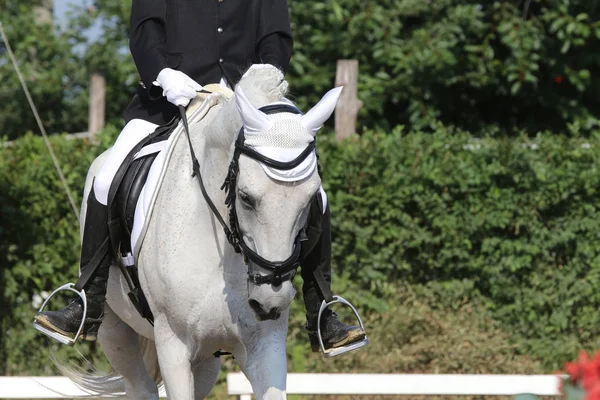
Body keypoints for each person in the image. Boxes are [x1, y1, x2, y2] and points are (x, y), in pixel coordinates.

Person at [33, 0, 365, 352]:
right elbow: (145, 31)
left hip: (246, 109)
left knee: (313, 189)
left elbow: (276, 38)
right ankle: (88, 298)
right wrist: (163, 75)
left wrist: (259, 84)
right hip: (170, 101)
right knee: (105, 178)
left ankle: (321, 310)